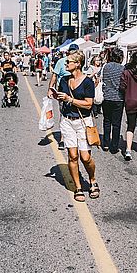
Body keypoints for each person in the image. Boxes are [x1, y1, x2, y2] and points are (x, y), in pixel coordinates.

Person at [56, 50, 99, 202]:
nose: (65, 64)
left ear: (78, 64)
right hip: (67, 121)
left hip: (83, 121)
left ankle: (92, 180)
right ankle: (78, 187)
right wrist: (57, 97)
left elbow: (88, 105)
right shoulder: (64, 80)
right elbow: (62, 98)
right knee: (73, 156)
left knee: (85, 157)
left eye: (68, 62)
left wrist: (69, 99)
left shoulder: (87, 82)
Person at [48, 43, 80, 149]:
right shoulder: (61, 62)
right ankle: (62, 139)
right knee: (63, 114)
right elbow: (54, 75)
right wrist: (50, 89)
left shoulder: (78, 62)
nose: (74, 53)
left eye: (75, 52)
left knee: (76, 114)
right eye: (72, 51)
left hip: (76, 90)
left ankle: (76, 137)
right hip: (63, 90)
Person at [101, 47, 125, 154]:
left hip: (106, 97)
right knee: (116, 123)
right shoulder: (122, 68)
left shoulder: (106, 67)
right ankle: (114, 146)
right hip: (119, 98)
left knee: (107, 121)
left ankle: (105, 143)